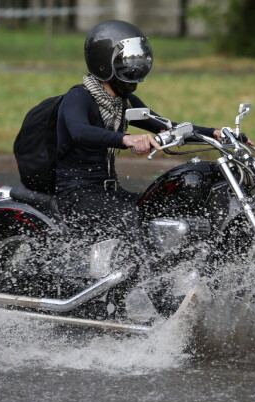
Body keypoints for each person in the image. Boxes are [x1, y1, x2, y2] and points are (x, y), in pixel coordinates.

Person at [55, 20, 221, 247]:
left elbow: (164, 126)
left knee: (159, 209)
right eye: (126, 64)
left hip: (108, 190)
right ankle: (143, 279)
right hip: (77, 194)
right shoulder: (78, 97)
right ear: (104, 63)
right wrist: (126, 138)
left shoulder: (123, 102)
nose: (134, 70)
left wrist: (216, 133)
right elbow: (79, 132)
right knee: (131, 217)